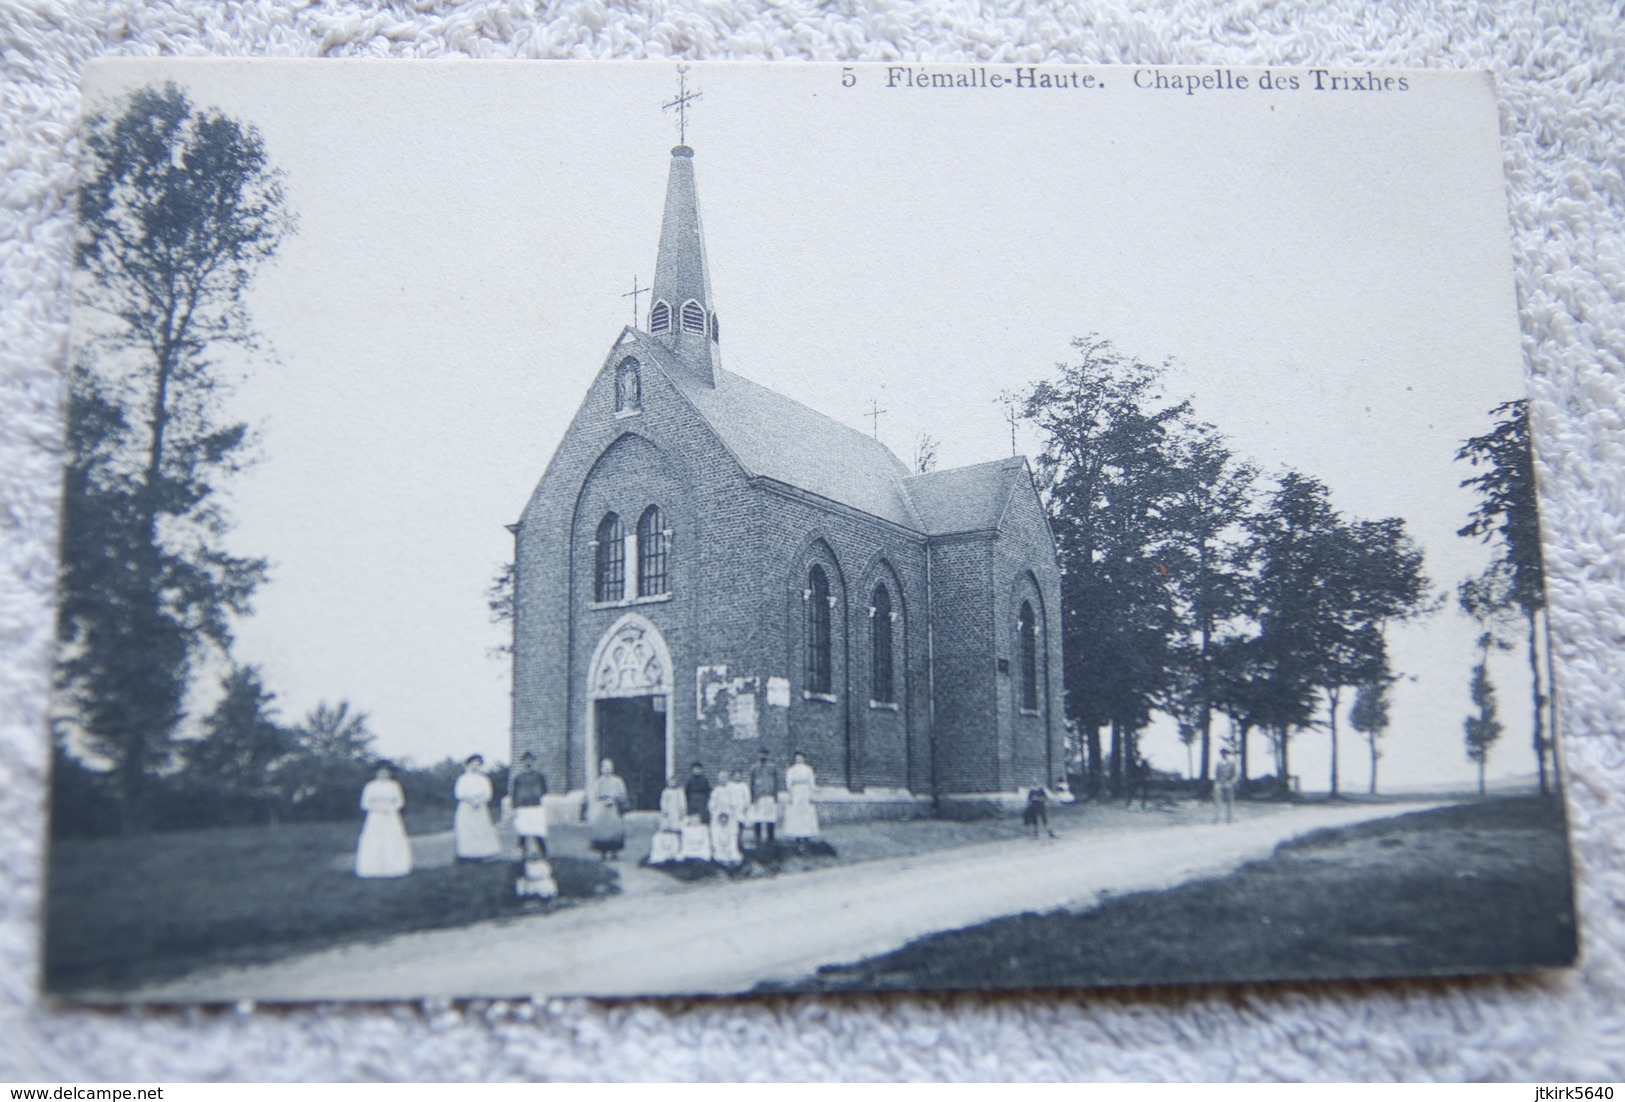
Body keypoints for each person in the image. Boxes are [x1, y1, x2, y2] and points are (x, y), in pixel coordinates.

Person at [355, 763, 412, 878]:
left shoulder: (394, 786)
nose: (383, 775)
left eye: (386, 773)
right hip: (375, 816)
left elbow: (400, 802)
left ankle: (394, 867)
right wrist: (377, 808)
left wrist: (390, 808)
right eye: (381, 772)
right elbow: (365, 804)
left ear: (390, 774)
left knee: (392, 838)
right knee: (374, 839)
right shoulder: (370, 786)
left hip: (391, 816)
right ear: (376, 773)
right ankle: (373, 868)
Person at [453, 754, 502, 861]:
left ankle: (483, 853)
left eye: (478, 764)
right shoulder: (463, 779)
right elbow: (459, 793)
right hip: (466, 806)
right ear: (468, 765)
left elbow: (488, 794)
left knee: (481, 829)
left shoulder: (483, 779)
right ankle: (468, 853)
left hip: (480, 806)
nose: (475, 767)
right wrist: (471, 801)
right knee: (468, 830)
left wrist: (479, 801)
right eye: (473, 764)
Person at [586, 757, 630, 860]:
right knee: (603, 831)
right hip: (602, 808)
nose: (607, 770)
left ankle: (614, 852)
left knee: (615, 831)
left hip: (614, 808)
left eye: (609, 767)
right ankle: (603, 852)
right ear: (601, 769)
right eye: (605, 767)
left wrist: (614, 798)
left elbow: (623, 793)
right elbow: (594, 794)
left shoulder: (617, 781)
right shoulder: (598, 781)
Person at [509, 751, 550, 861]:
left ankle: (543, 853)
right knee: (522, 831)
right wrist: (514, 808)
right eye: (526, 761)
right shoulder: (518, 778)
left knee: (538, 831)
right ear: (522, 763)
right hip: (522, 808)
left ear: (534, 762)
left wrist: (534, 795)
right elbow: (514, 794)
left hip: (536, 807)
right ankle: (522, 852)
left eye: (530, 760)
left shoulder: (539, 776)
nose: (528, 763)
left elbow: (544, 791)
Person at [782, 751, 820, 846]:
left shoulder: (808, 769)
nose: (799, 760)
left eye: (801, 758)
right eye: (797, 758)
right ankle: (797, 835)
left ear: (804, 758)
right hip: (796, 792)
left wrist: (812, 795)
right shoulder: (791, 770)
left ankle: (807, 834)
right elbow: (789, 784)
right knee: (796, 813)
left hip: (805, 792)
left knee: (806, 813)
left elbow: (812, 783)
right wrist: (790, 796)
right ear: (795, 759)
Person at [746, 749, 782, 848]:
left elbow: (776, 782)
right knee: (757, 818)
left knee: (770, 818)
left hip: (769, 796)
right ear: (758, 755)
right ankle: (757, 838)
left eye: (765, 755)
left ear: (768, 756)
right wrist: (752, 797)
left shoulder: (772, 768)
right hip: (758, 796)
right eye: (761, 754)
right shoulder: (754, 768)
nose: (763, 757)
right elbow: (751, 783)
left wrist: (775, 796)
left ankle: (771, 838)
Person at [1214, 747, 1240, 825]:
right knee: (1218, 802)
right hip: (1220, 783)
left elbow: (1235, 775)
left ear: (1227, 754)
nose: (1224, 755)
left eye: (1225, 753)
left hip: (1228, 784)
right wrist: (1216, 783)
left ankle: (1229, 819)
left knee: (1229, 802)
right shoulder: (1218, 763)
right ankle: (1218, 819)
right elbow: (1216, 774)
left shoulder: (1231, 763)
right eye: (1222, 753)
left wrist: (1231, 782)